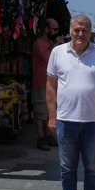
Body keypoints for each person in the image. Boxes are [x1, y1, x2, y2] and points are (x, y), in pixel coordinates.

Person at [46, 15, 95, 190]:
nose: (80, 34)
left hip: (94, 121)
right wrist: (51, 115)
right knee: (67, 169)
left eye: (84, 30)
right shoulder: (58, 53)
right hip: (66, 121)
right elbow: (50, 86)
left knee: (92, 169)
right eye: (76, 30)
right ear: (70, 31)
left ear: (90, 32)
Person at [32, 17, 60, 151]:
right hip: (41, 83)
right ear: (46, 29)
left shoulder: (50, 43)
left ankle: (49, 135)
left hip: (52, 84)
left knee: (50, 111)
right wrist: (55, 45)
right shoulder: (39, 43)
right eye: (54, 29)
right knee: (40, 112)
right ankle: (40, 138)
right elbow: (47, 59)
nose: (56, 32)